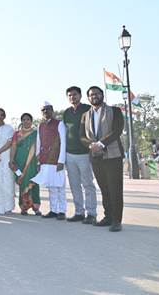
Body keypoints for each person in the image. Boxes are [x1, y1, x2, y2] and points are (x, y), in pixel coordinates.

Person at [80, 86, 125, 232]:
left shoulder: (115, 111)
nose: (94, 96)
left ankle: (117, 221)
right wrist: (91, 145)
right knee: (105, 189)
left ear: (102, 95)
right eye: (91, 95)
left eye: (97, 94)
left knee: (115, 189)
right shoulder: (85, 115)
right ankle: (108, 217)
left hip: (113, 156)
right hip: (96, 157)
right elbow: (82, 136)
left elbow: (117, 130)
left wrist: (101, 143)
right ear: (88, 98)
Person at [62, 86, 97, 224]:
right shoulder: (66, 113)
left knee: (88, 184)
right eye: (70, 95)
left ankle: (92, 213)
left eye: (75, 95)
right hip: (70, 154)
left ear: (81, 96)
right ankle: (79, 212)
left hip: (84, 153)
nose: (72, 97)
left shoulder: (88, 109)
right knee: (74, 185)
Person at [31, 102, 67, 220]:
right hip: (45, 159)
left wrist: (61, 160)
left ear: (52, 110)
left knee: (60, 186)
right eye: (43, 110)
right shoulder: (40, 126)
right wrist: (38, 161)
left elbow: (63, 143)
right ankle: (53, 210)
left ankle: (62, 211)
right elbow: (38, 143)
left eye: (48, 109)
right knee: (51, 186)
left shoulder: (59, 123)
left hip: (56, 159)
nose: (46, 111)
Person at [9, 113, 41, 215]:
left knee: (34, 182)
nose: (26, 121)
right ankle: (24, 207)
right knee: (22, 182)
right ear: (21, 121)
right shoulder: (16, 134)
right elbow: (13, 147)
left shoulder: (36, 133)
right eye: (24, 120)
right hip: (18, 163)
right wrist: (11, 160)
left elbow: (39, 147)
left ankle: (35, 207)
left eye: (28, 119)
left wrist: (39, 161)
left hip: (32, 163)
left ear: (31, 121)